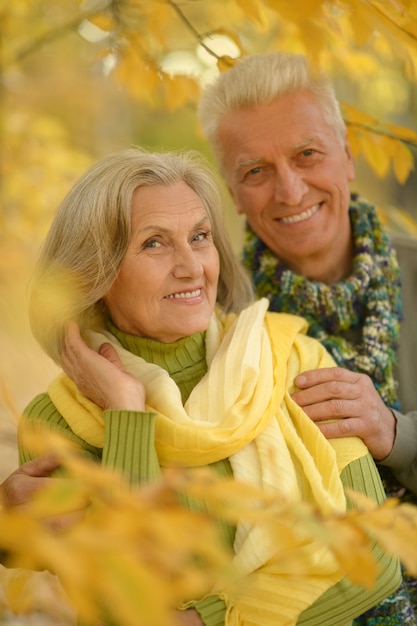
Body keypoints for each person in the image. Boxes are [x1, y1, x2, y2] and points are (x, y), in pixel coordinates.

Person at [15, 147, 400, 626]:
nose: (192, 266)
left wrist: (204, 621)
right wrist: (127, 412)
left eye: (199, 237)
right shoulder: (56, 424)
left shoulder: (293, 359)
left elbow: (376, 552)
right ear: (95, 274)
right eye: (154, 244)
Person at [197, 51, 417, 623]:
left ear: (346, 157)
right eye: (255, 171)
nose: (290, 190)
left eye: (307, 155)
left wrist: (396, 434)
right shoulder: (211, 317)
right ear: (234, 194)